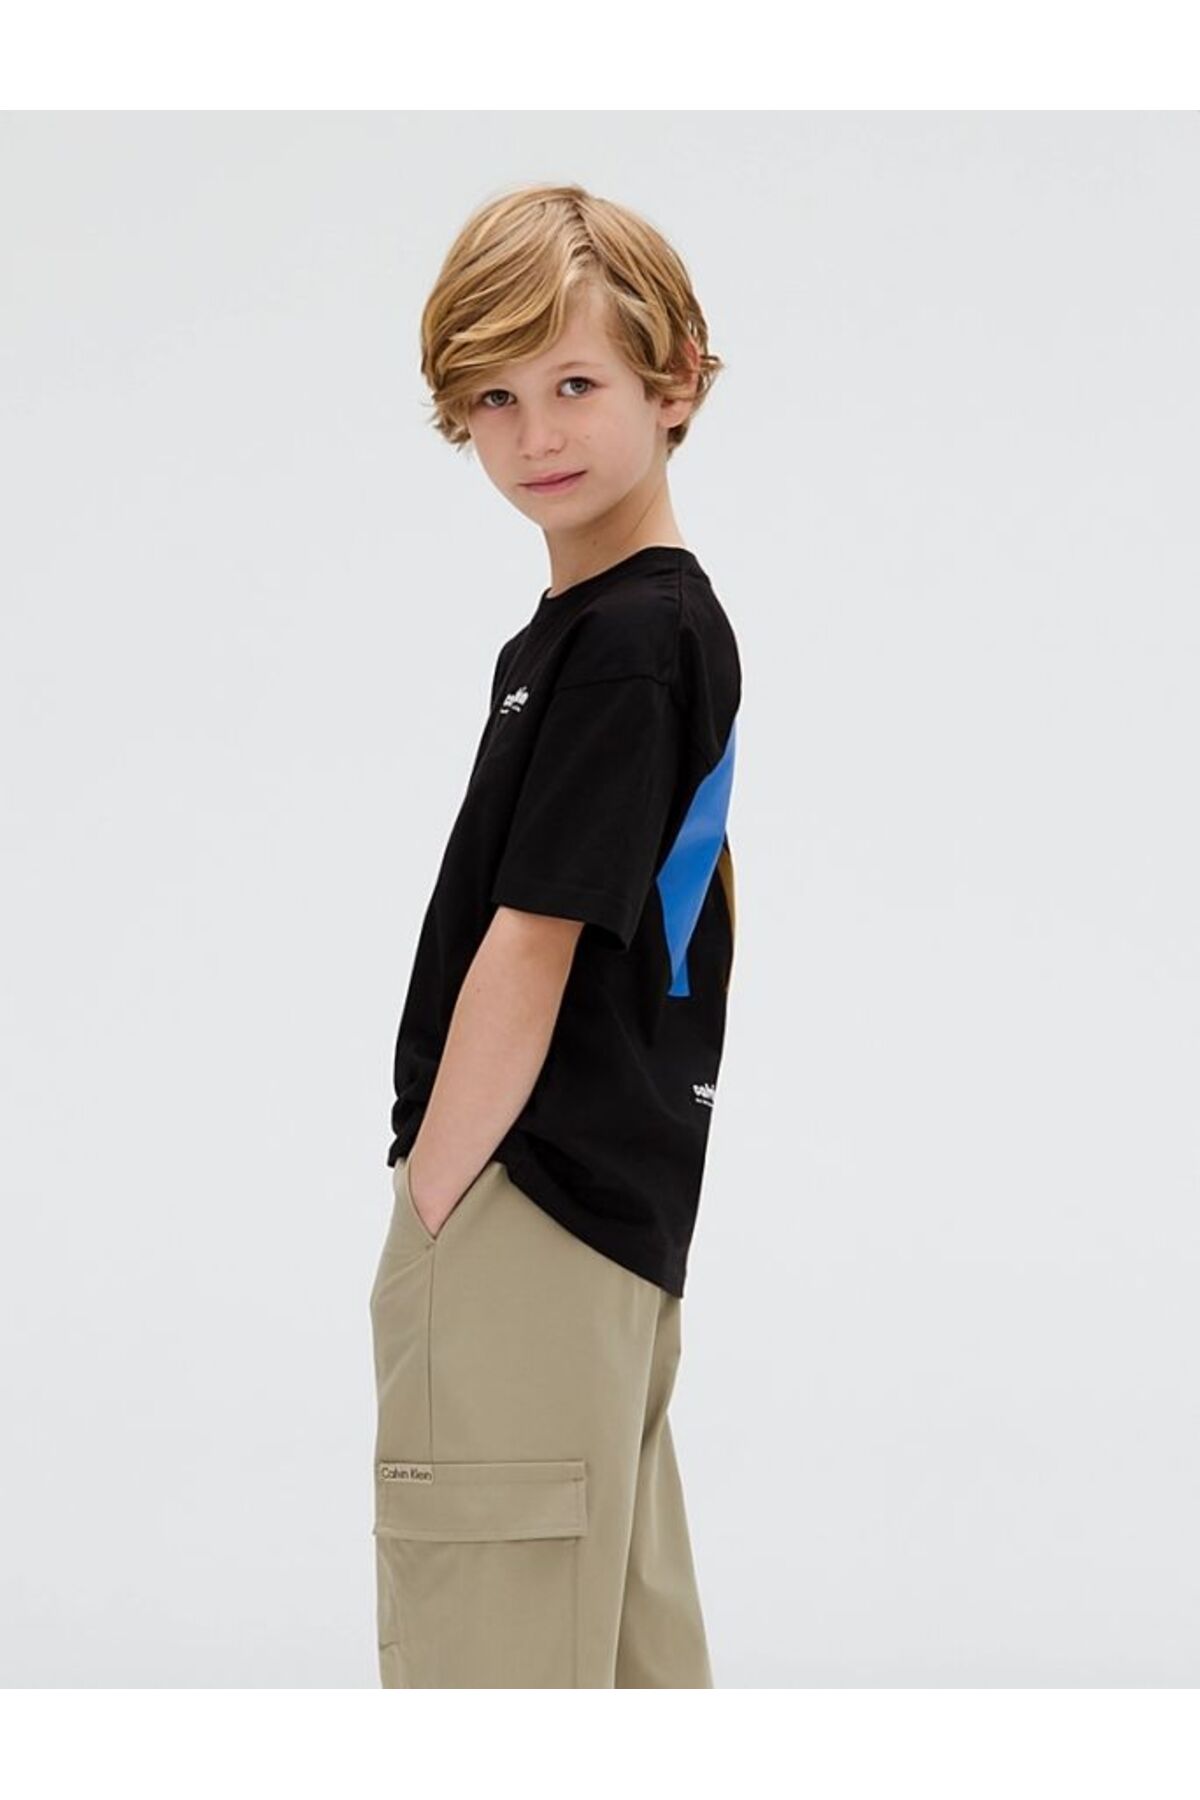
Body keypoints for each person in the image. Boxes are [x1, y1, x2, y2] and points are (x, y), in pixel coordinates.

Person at [369, 182, 741, 1688]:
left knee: (493, 1668)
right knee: (621, 1658)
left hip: (529, 1199)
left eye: (576, 384)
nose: (536, 436)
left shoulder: (629, 641)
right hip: (609, 1211)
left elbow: (532, 941)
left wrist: (432, 1206)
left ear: (676, 381)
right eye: (495, 399)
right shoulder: (603, 632)